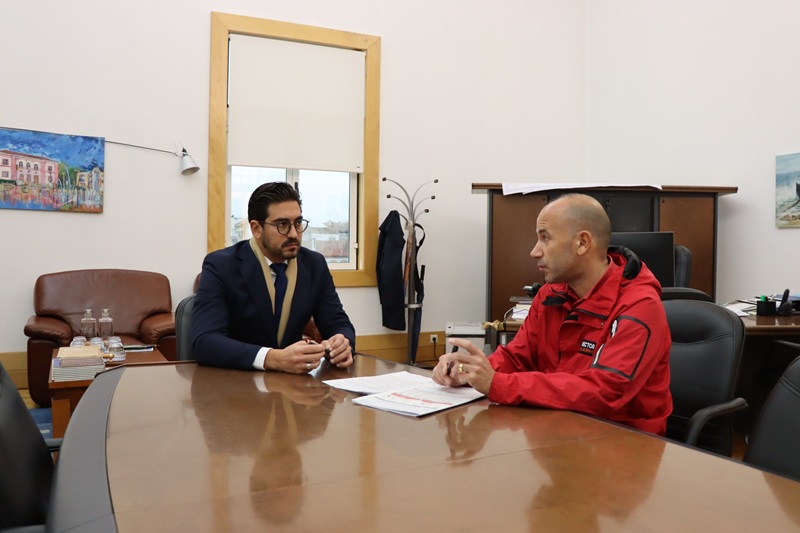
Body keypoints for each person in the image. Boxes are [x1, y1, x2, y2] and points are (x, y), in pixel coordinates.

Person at [432, 193, 672, 435]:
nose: (534, 252)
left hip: (622, 443)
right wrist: (470, 370)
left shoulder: (640, 305)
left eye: (545, 238)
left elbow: (605, 392)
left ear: (582, 243)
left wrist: (497, 383)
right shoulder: (551, 294)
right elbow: (518, 358)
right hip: (560, 431)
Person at [191, 181, 355, 373]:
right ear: (256, 229)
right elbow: (205, 341)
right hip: (235, 379)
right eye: (282, 225)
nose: (294, 234)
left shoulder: (314, 265)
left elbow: (338, 322)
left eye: (298, 223)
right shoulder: (222, 265)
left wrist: (342, 342)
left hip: (293, 383)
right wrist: (272, 358)